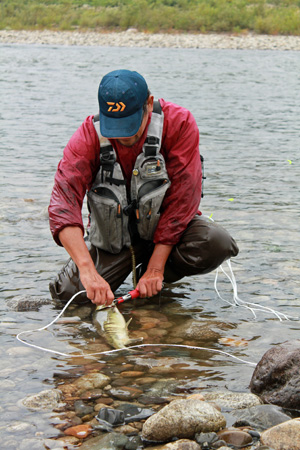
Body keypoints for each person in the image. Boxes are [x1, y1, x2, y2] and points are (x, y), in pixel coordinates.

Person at [48, 69, 238, 306]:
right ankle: (126, 270)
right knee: (69, 296)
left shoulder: (179, 123)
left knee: (215, 243)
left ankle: (153, 274)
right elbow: (63, 205)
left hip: (167, 232)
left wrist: (156, 269)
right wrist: (87, 271)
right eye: (114, 127)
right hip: (114, 240)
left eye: (129, 125)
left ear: (149, 104)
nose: (123, 137)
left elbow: (184, 199)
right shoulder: (87, 135)